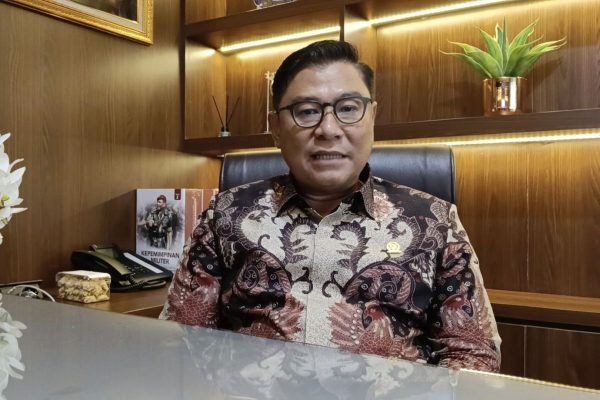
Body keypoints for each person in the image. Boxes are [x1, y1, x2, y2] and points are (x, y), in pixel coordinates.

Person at [160, 40, 501, 372]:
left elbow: (473, 356)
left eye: (348, 108)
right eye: (307, 111)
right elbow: (183, 339)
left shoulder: (434, 220)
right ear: (276, 128)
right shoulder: (225, 213)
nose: (328, 129)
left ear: (372, 117)